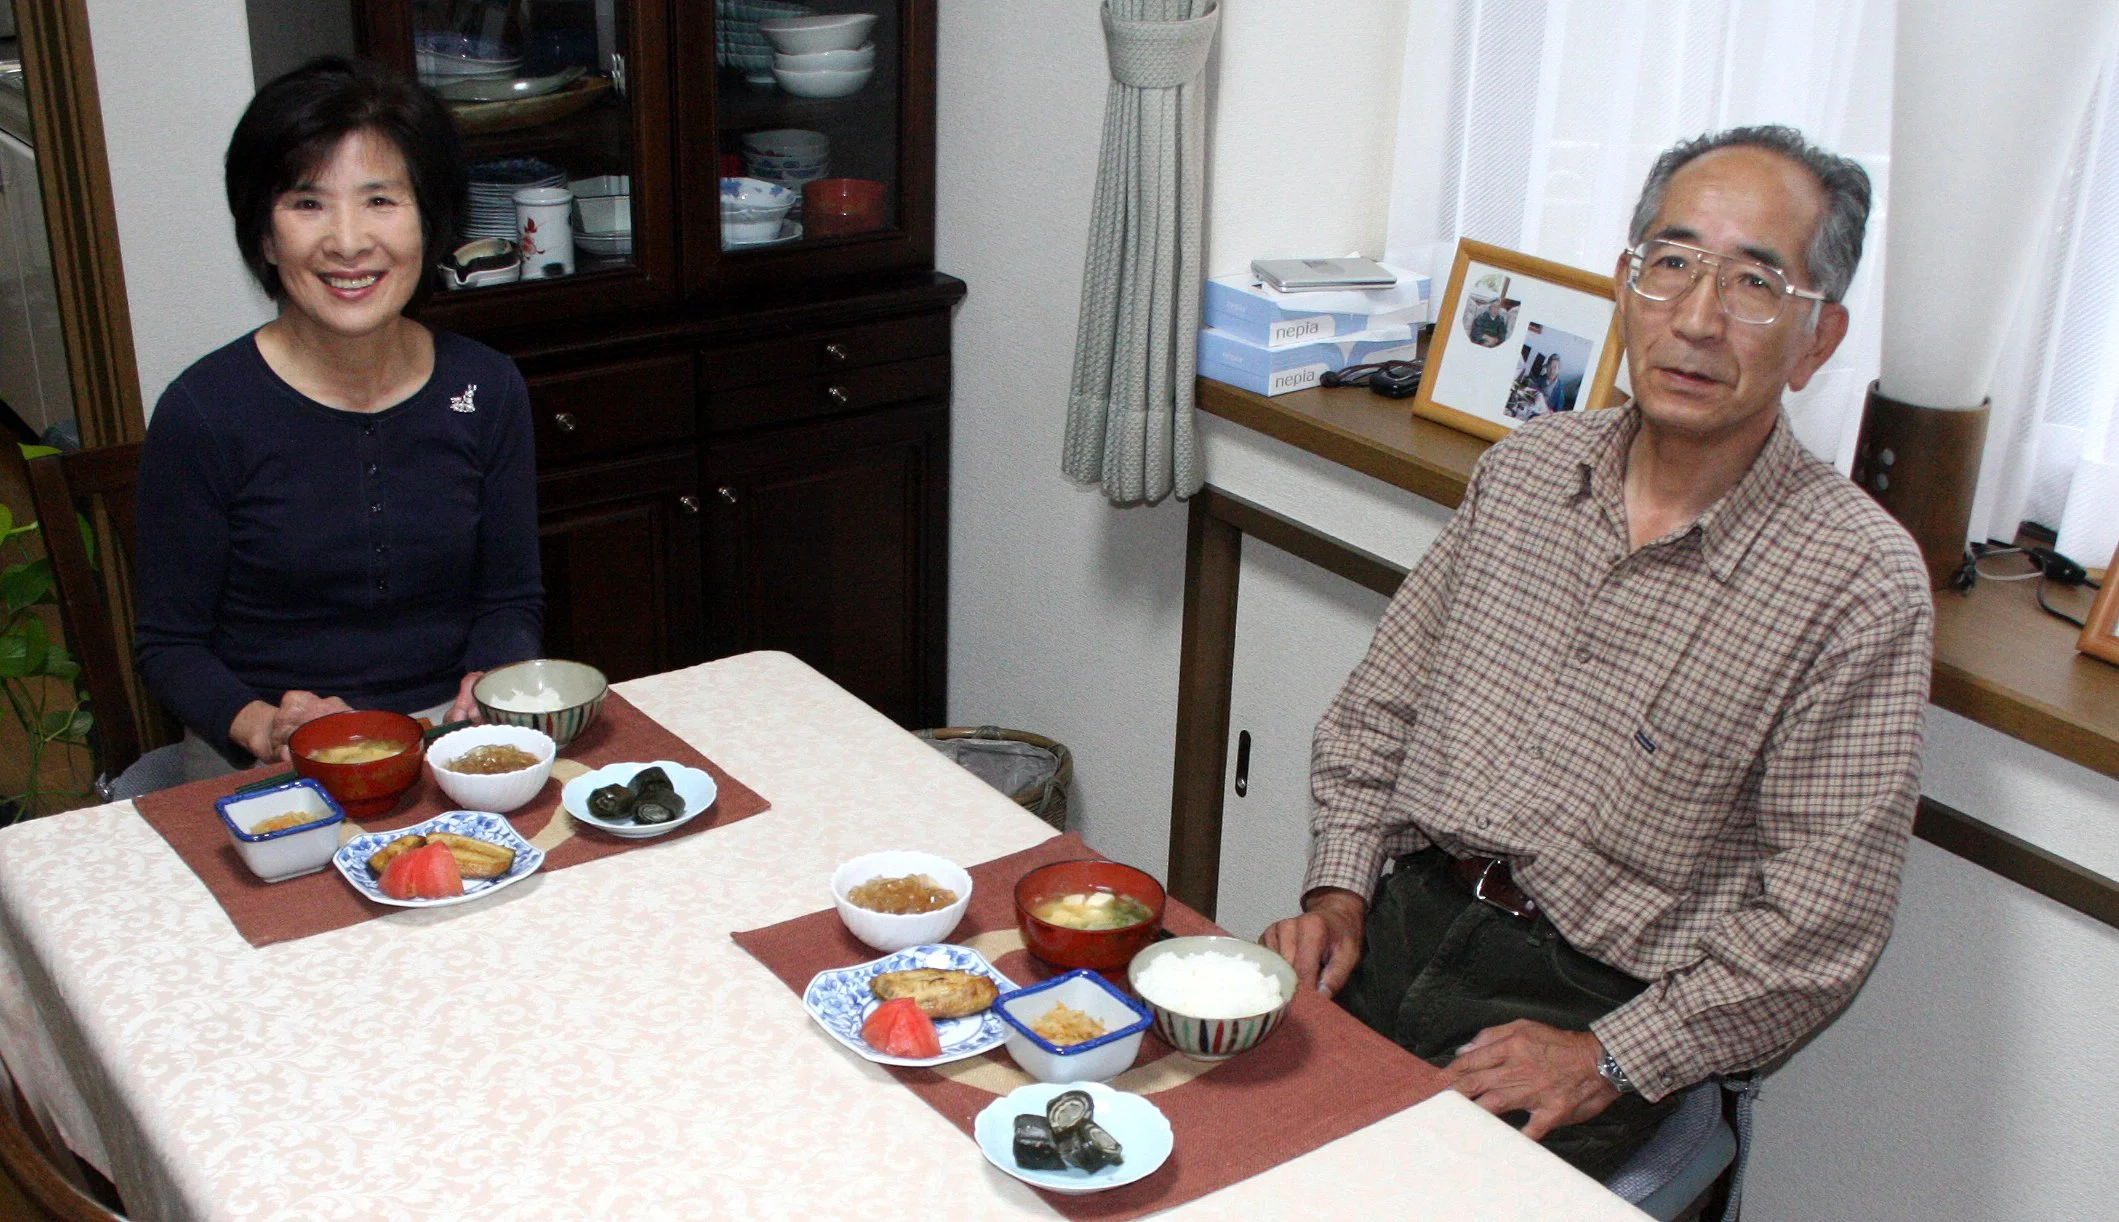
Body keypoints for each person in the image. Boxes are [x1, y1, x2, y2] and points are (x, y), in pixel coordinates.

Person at [1261, 125, 1930, 1179]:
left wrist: (1612, 1055)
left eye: (1755, 282)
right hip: (1402, 916)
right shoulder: (1529, 471)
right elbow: (1375, 713)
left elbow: (1818, 923)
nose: (1698, 319)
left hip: (1596, 997)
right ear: (1627, 285)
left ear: (1818, 337)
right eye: (1671, 265)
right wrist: (1337, 891)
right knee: (1196, 1136)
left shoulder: (1856, 580)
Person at [134, 57, 543, 775]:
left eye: (381, 201)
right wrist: (266, 727)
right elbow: (170, 647)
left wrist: (489, 680)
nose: (349, 241)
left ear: (432, 223)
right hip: (267, 754)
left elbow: (510, 597)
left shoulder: (487, 387)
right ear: (264, 234)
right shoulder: (204, 411)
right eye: (307, 203)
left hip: (448, 738)